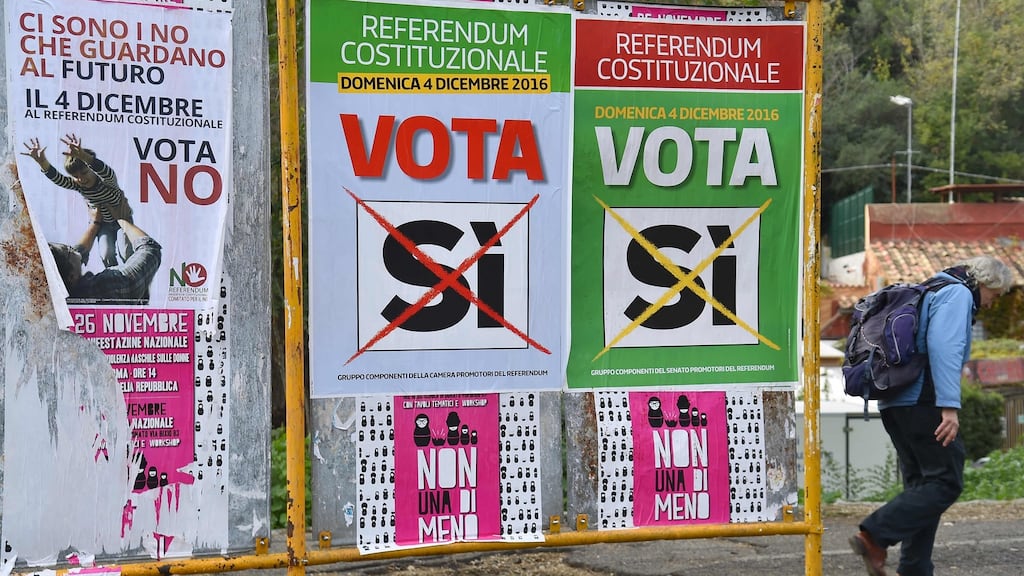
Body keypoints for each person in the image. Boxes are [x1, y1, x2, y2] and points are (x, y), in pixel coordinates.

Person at [849, 255, 1014, 576]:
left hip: (894, 402)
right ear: (985, 283)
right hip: (924, 402)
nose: (993, 304)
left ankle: (914, 567)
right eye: (995, 295)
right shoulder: (958, 294)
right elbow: (945, 347)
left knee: (922, 488)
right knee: (945, 481)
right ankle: (874, 534)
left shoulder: (931, 288)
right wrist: (949, 406)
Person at [22, 134, 134, 268]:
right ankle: (116, 280)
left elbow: (104, 170)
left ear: (92, 170)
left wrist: (83, 156)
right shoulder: (79, 186)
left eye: (85, 173)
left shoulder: (107, 181)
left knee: (126, 252)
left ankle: (134, 276)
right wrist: (42, 162)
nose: (81, 179)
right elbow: (59, 179)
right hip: (104, 225)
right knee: (106, 254)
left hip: (121, 220)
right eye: (76, 176)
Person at [48, 206, 161, 305]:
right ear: (71, 277)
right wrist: (121, 218)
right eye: (68, 250)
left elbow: (75, 255)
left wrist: (95, 223)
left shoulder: (57, 295)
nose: (72, 248)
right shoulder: (106, 286)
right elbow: (150, 250)